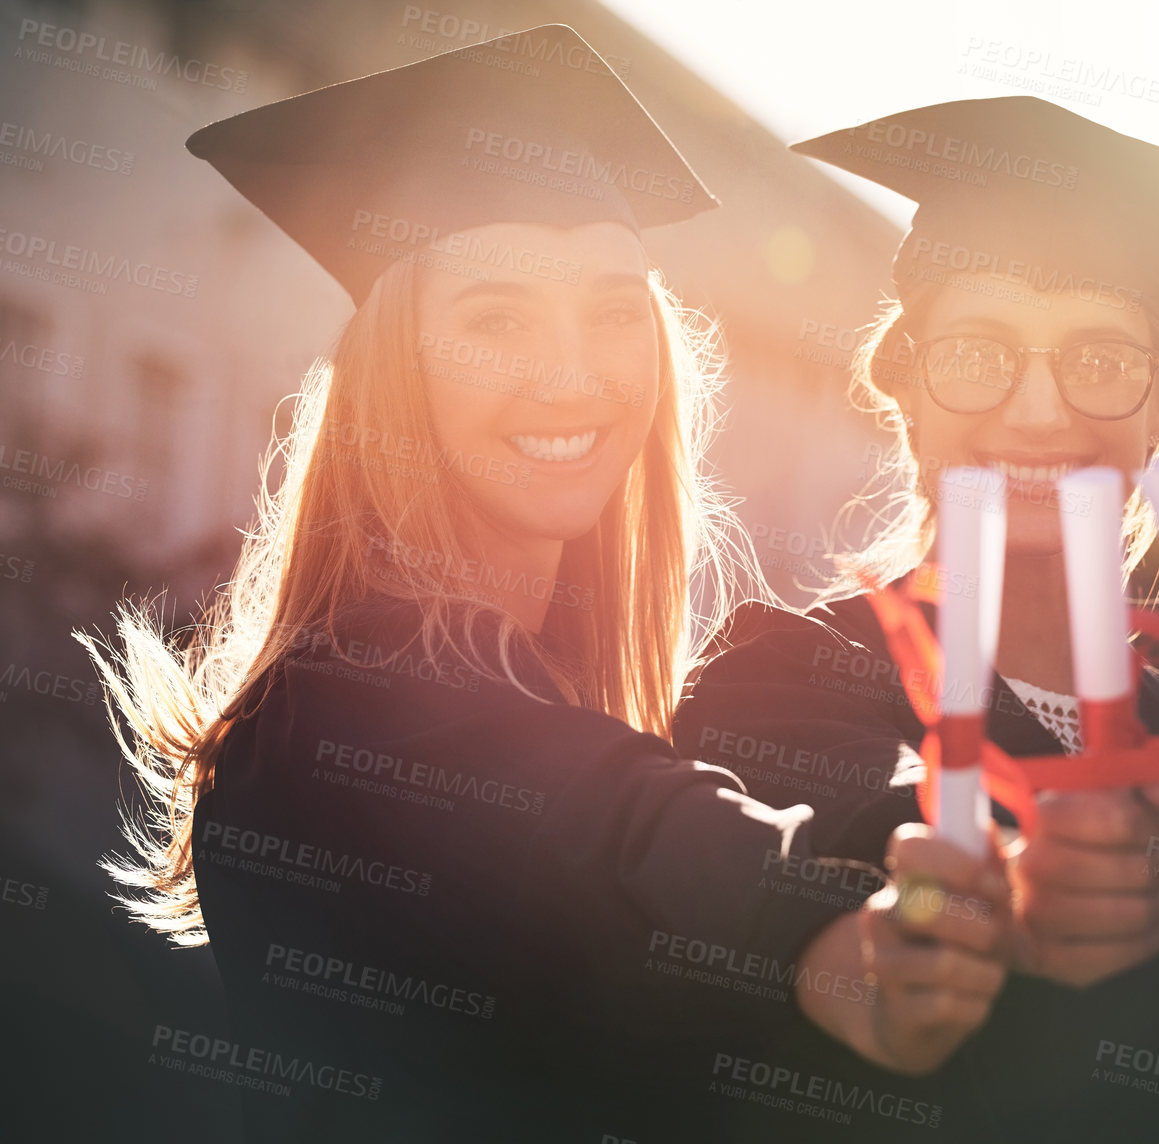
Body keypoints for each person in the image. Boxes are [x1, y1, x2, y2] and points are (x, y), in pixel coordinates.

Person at [79, 27, 1007, 1143]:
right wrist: (854, 931)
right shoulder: (345, 708)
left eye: (614, 309)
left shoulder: (554, 693)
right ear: (397, 374)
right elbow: (625, 827)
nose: (572, 373)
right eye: (495, 318)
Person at [674, 95, 1159, 1141]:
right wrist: (992, 876)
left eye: (1098, 358)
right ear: (899, 379)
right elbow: (837, 841)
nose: (1038, 411)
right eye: (979, 350)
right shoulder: (780, 682)